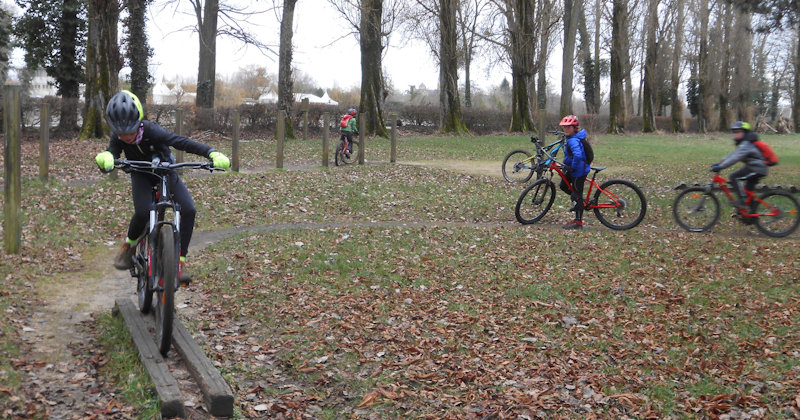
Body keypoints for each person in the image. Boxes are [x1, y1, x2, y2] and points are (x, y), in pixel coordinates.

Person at [94, 90, 230, 284]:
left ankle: (180, 262)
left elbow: (180, 142)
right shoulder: (118, 137)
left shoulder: (151, 131)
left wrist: (211, 152)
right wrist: (107, 157)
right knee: (142, 212)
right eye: (121, 133)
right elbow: (112, 152)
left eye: (130, 131)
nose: (126, 137)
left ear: (138, 122)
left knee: (189, 209)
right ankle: (129, 247)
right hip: (140, 173)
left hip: (165, 171)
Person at [711, 121, 767, 218]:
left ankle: (742, 202)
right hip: (753, 167)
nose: (735, 135)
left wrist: (721, 167)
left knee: (734, 177)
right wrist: (720, 162)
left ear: (744, 132)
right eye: (734, 132)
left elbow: (735, 158)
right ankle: (749, 216)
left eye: (738, 132)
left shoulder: (746, 144)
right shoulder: (744, 143)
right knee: (748, 192)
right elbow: (733, 155)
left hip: (757, 169)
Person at [557, 115, 591, 230]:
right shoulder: (572, 137)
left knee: (577, 194)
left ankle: (578, 222)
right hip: (574, 169)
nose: (566, 129)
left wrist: (573, 168)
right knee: (563, 185)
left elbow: (578, 155)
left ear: (574, 128)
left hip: (578, 171)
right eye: (564, 127)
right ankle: (578, 201)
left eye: (568, 127)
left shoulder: (573, 140)